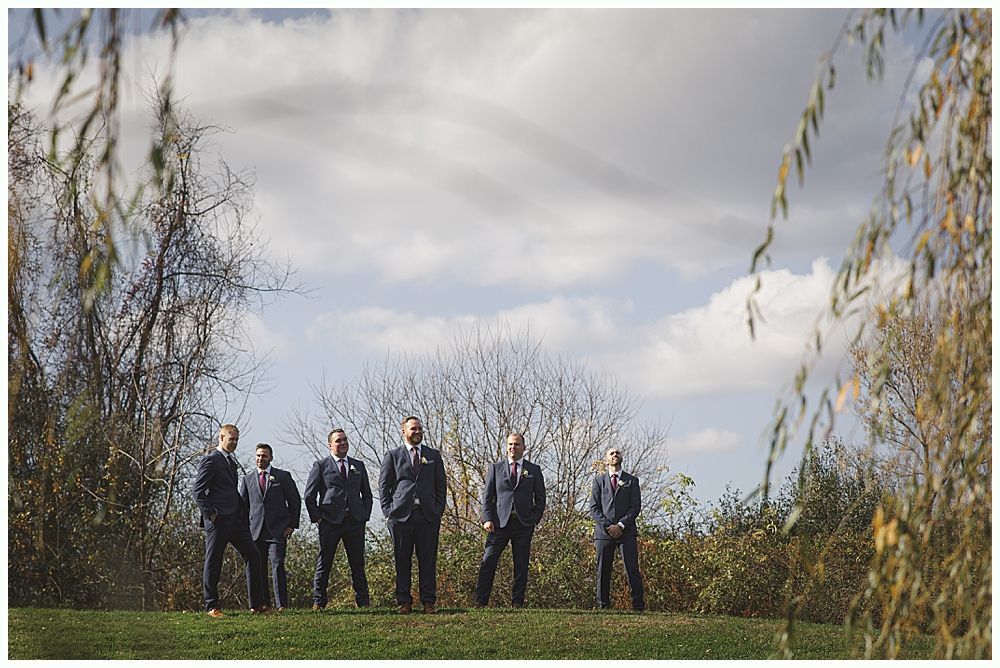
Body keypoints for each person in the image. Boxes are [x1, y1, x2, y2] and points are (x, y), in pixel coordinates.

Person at [192, 423, 266, 617]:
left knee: (253, 554)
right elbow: (198, 492)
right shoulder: (211, 460)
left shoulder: (230, 462)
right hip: (218, 521)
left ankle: (256, 605)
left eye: (236, 440)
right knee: (214, 561)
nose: (233, 442)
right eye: (230, 439)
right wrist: (211, 514)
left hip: (235, 521)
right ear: (221, 438)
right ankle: (211, 606)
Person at [378, 416, 447, 614]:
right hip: (400, 516)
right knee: (402, 559)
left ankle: (428, 602)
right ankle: (404, 602)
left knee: (427, 560)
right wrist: (388, 511)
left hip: (427, 516)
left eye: (419, 429)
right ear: (404, 432)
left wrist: (438, 509)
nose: (417, 432)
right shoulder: (392, 455)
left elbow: (441, 484)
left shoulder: (433, 455)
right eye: (413, 429)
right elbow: (384, 486)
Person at [474, 432, 546, 608]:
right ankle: (480, 602)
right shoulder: (495, 468)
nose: (513, 447)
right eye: (510, 444)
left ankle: (517, 602)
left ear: (524, 447)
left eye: (517, 444)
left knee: (521, 565)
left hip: (523, 524)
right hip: (499, 524)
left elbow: (541, 499)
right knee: (488, 560)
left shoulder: (534, 470)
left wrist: (533, 519)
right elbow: (488, 497)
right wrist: (487, 519)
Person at [304, 429, 373, 609]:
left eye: (345, 440)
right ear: (330, 445)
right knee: (324, 562)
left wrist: (364, 515)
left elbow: (367, 494)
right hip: (330, 522)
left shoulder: (358, 465)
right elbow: (309, 496)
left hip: (354, 522)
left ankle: (363, 602)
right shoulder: (320, 466)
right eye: (338, 441)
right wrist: (318, 518)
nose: (343, 443)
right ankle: (319, 601)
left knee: (358, 563)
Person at [240, 443, 301, 612]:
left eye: (264, 456)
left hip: (277, 530)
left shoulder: (282, 476)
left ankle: (282, 605)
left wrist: (291, 525)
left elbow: (295, 501)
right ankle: (262, 604)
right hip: (255, 531)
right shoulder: (247, 479)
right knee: (257, 568)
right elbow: (243, 507)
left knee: (277, 565)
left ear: (271, 458)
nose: (261, 459)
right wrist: (244, 530)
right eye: (258, 455)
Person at [589, 447, 645, 612]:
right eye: (611, 453)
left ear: (621, 457)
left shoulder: (631, 480)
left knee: (631, 569)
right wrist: (608, 527)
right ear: (606, 460)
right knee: (603, 570)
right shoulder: (599, 481)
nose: (615, 455)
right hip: (603, 534)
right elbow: (594, 508)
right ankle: (603, 606)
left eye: (617, 453)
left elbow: (635, 507)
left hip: (626, 532)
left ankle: (638, 606)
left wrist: (621, 525)